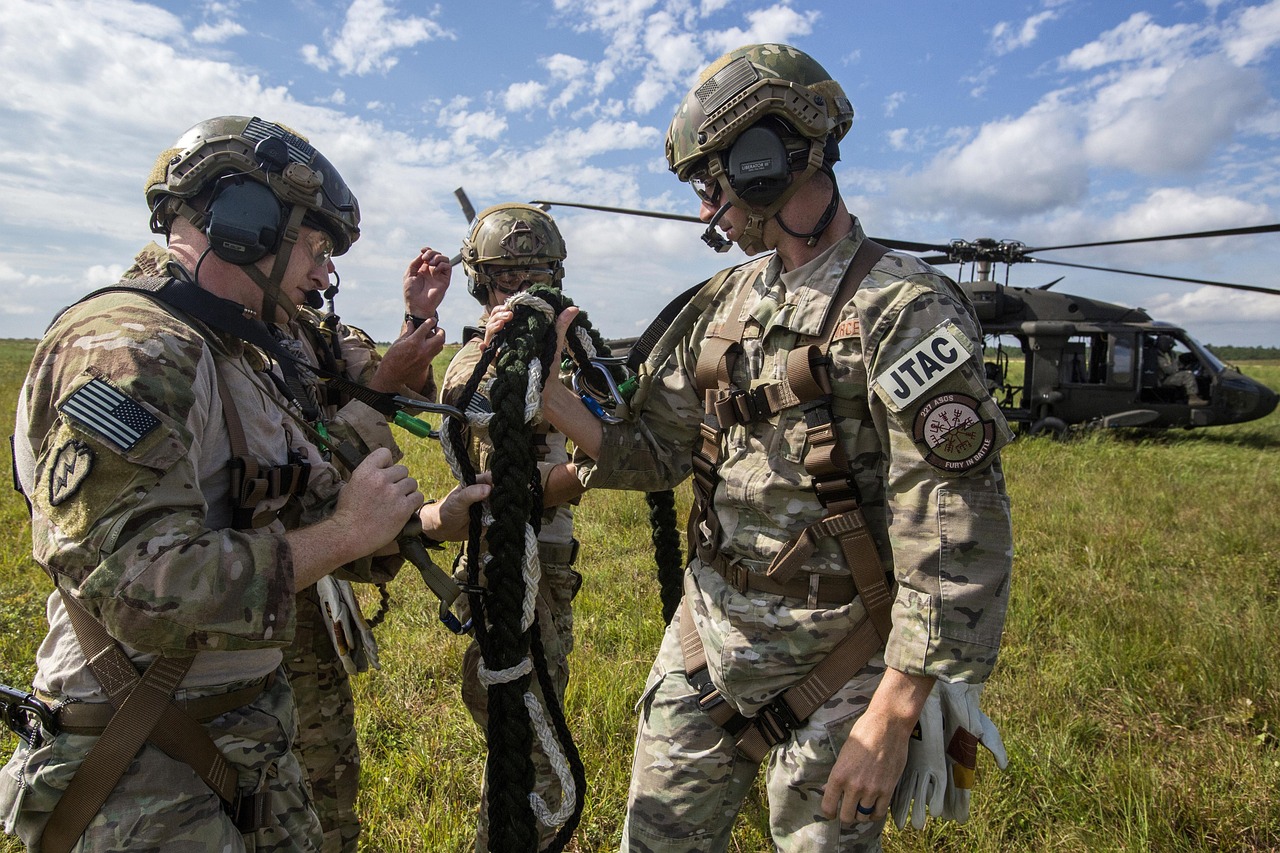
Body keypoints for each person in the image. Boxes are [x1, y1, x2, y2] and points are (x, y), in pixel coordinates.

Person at [527, 44, 1015, 851]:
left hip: (846, 661)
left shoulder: (905, 308)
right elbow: (654, 453)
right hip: (707, 642)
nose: (706, 214)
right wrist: (552, 395)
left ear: (761, 161)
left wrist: (894, 712)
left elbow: (956, 526)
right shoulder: (723, 302)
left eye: (710, 186)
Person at [0, 115, 487, 852]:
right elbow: (138, 587)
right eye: (315, 248)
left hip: (232, 741)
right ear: (244, 225)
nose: (323, 276)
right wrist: (345, 533)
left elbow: (291, 514)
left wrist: (422, 524)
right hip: (145, 771)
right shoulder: (134, 349)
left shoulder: (234, 351)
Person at [272, 245, 450, 853]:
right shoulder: (204, 347)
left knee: (326, 778)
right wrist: (381, 386)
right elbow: (299, 486)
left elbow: (399, 387)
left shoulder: (305, 333)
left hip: (304, 589)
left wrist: (416, 318)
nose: (327, 274)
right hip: (244, 617)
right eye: (314, 252)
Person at [440, 203, 586, 852]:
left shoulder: (569, 353)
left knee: (526, 740)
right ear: (482, 285)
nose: (524, 291)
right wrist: (591, 467)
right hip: (504, 570)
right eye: (507, 279)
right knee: (530, 756)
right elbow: (508, 465)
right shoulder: (474, 365)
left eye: (539, 277)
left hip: (548, 568)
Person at [1153, 334, 1208, 406]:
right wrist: (1176, 364)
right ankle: (1193, 398)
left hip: (1167, 377)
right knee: (1188, 375)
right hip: (1162, 380)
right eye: (1170, 346)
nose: (1171, 348)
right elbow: (1169, 370)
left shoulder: (1166, 354)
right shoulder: (1158, 356)